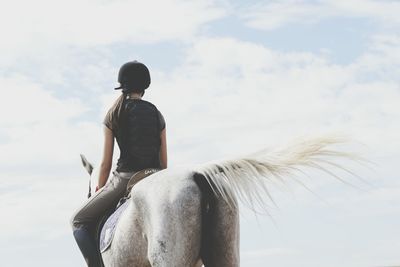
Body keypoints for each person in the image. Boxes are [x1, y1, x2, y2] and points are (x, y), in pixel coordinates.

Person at [70, 61, 168, 267]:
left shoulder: (114, 114)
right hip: (155, 177)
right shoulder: (157, 114)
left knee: (78, 221)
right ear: (145, 85)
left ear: (122, 85)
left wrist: (100, 188)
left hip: (125, 179)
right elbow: (164, 163)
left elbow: (105, 164)